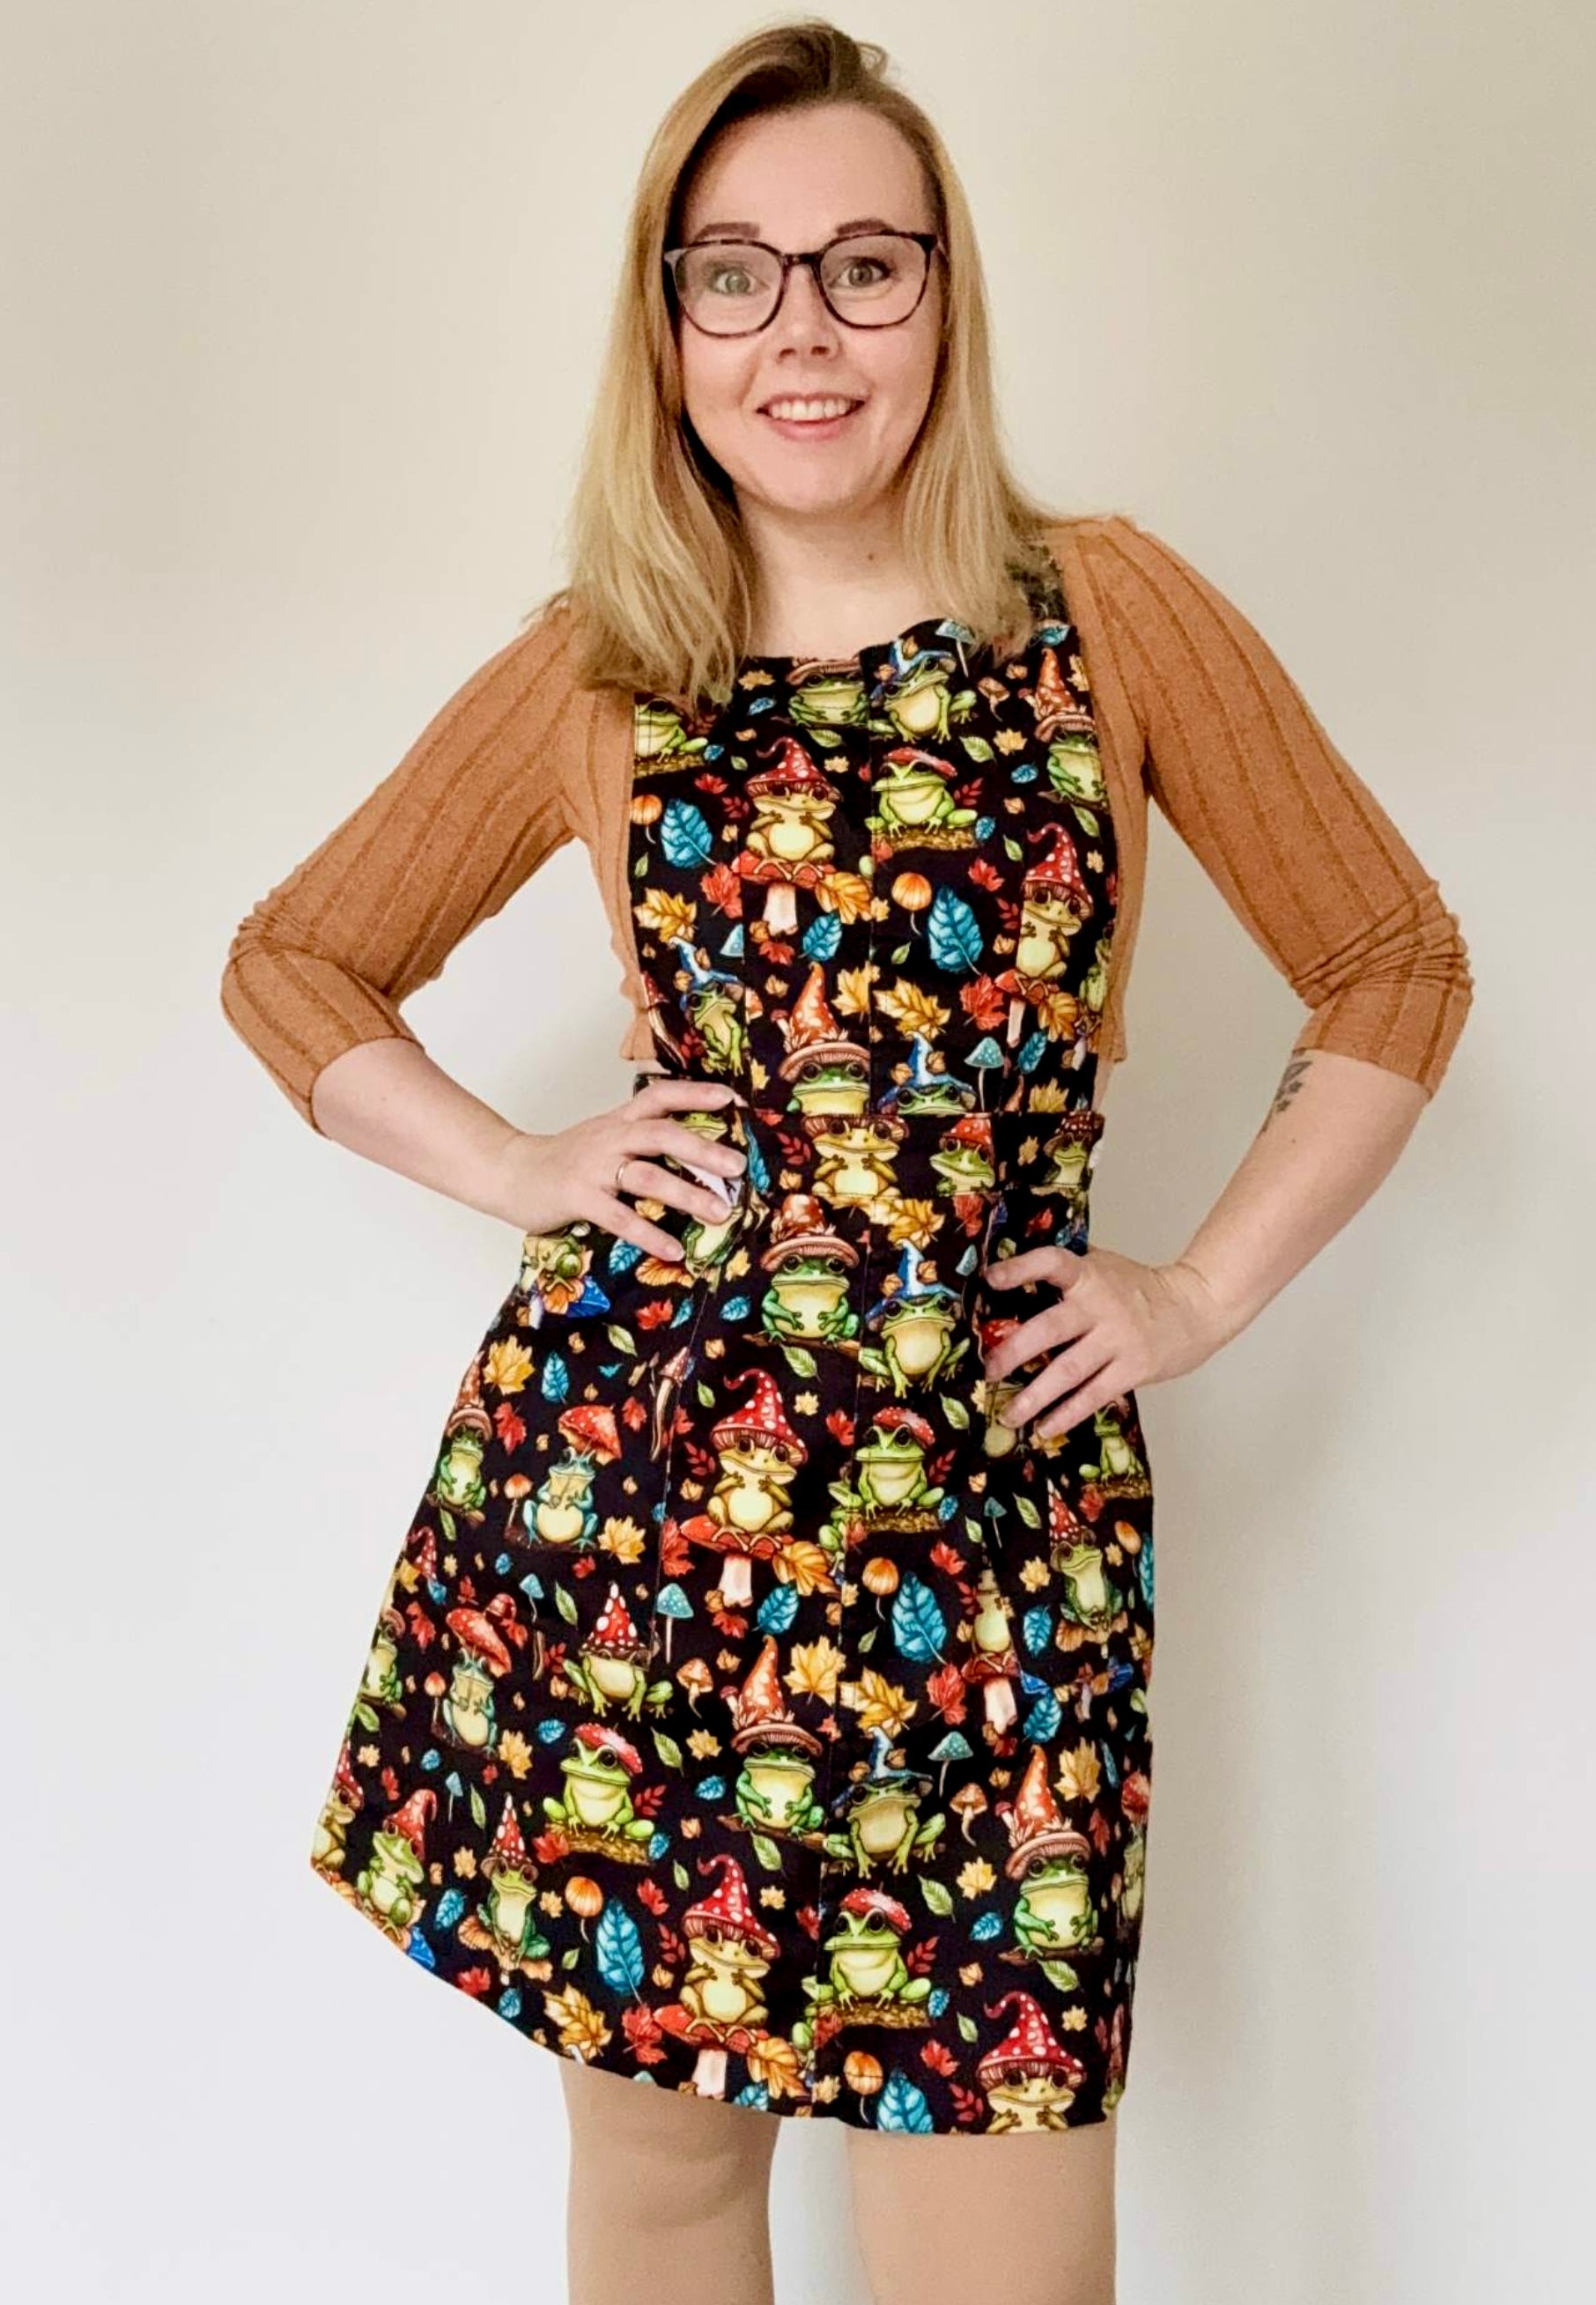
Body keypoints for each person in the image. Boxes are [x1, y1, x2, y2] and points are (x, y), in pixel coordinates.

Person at [220, 21, 1473, 2305]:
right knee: (669, 2186)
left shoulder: (1105, 608)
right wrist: (516, 1163)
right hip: (632, 1522)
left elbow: (1391, 961)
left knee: (999, 2237)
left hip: (989, 1530)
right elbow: (296, 961)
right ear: (666, 323)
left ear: (943, 299)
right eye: (735, 273)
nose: (800, 330)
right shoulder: (606, 663)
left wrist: (1194, 1292)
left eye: (863, 266)